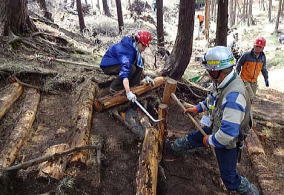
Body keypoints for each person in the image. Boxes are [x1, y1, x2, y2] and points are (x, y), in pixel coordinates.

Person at [167, 46, 259, 195]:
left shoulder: (234, 97)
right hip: (218, 125)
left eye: (210, 71)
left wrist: (209, 140)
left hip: (229, 141)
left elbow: (228, 134)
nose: (208, 74)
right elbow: (213, 99)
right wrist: (198, 108)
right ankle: (174, 148)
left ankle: (251, 191)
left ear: (218, 71)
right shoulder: (224, 81)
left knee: (228, 178)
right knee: (194, 137)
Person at [100, 30, 155, 102]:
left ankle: (134, 86)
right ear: (137, 42)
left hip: (118, 62)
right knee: (131, 68)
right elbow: (125, 72)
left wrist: (145, 76)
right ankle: (115, 87)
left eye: (145, 46)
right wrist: (128, 92)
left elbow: (139, 64)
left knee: (141, 60)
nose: (144, 49)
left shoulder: (134, 46)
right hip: (108, 65)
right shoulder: (127, 52)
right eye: (143, 46)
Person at [236, 37, 269, 101]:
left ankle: (246, 110)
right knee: (250, 96)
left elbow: (263, 68)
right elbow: (239, 64)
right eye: (256, 46)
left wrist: (266, 78)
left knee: (250, 100)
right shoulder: (246, 55)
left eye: (260, 47)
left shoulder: (263, 57)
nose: (257, 48)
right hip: (245, 80)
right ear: (254, 45)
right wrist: (237, 75)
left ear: (263, 48)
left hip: (254, 81)